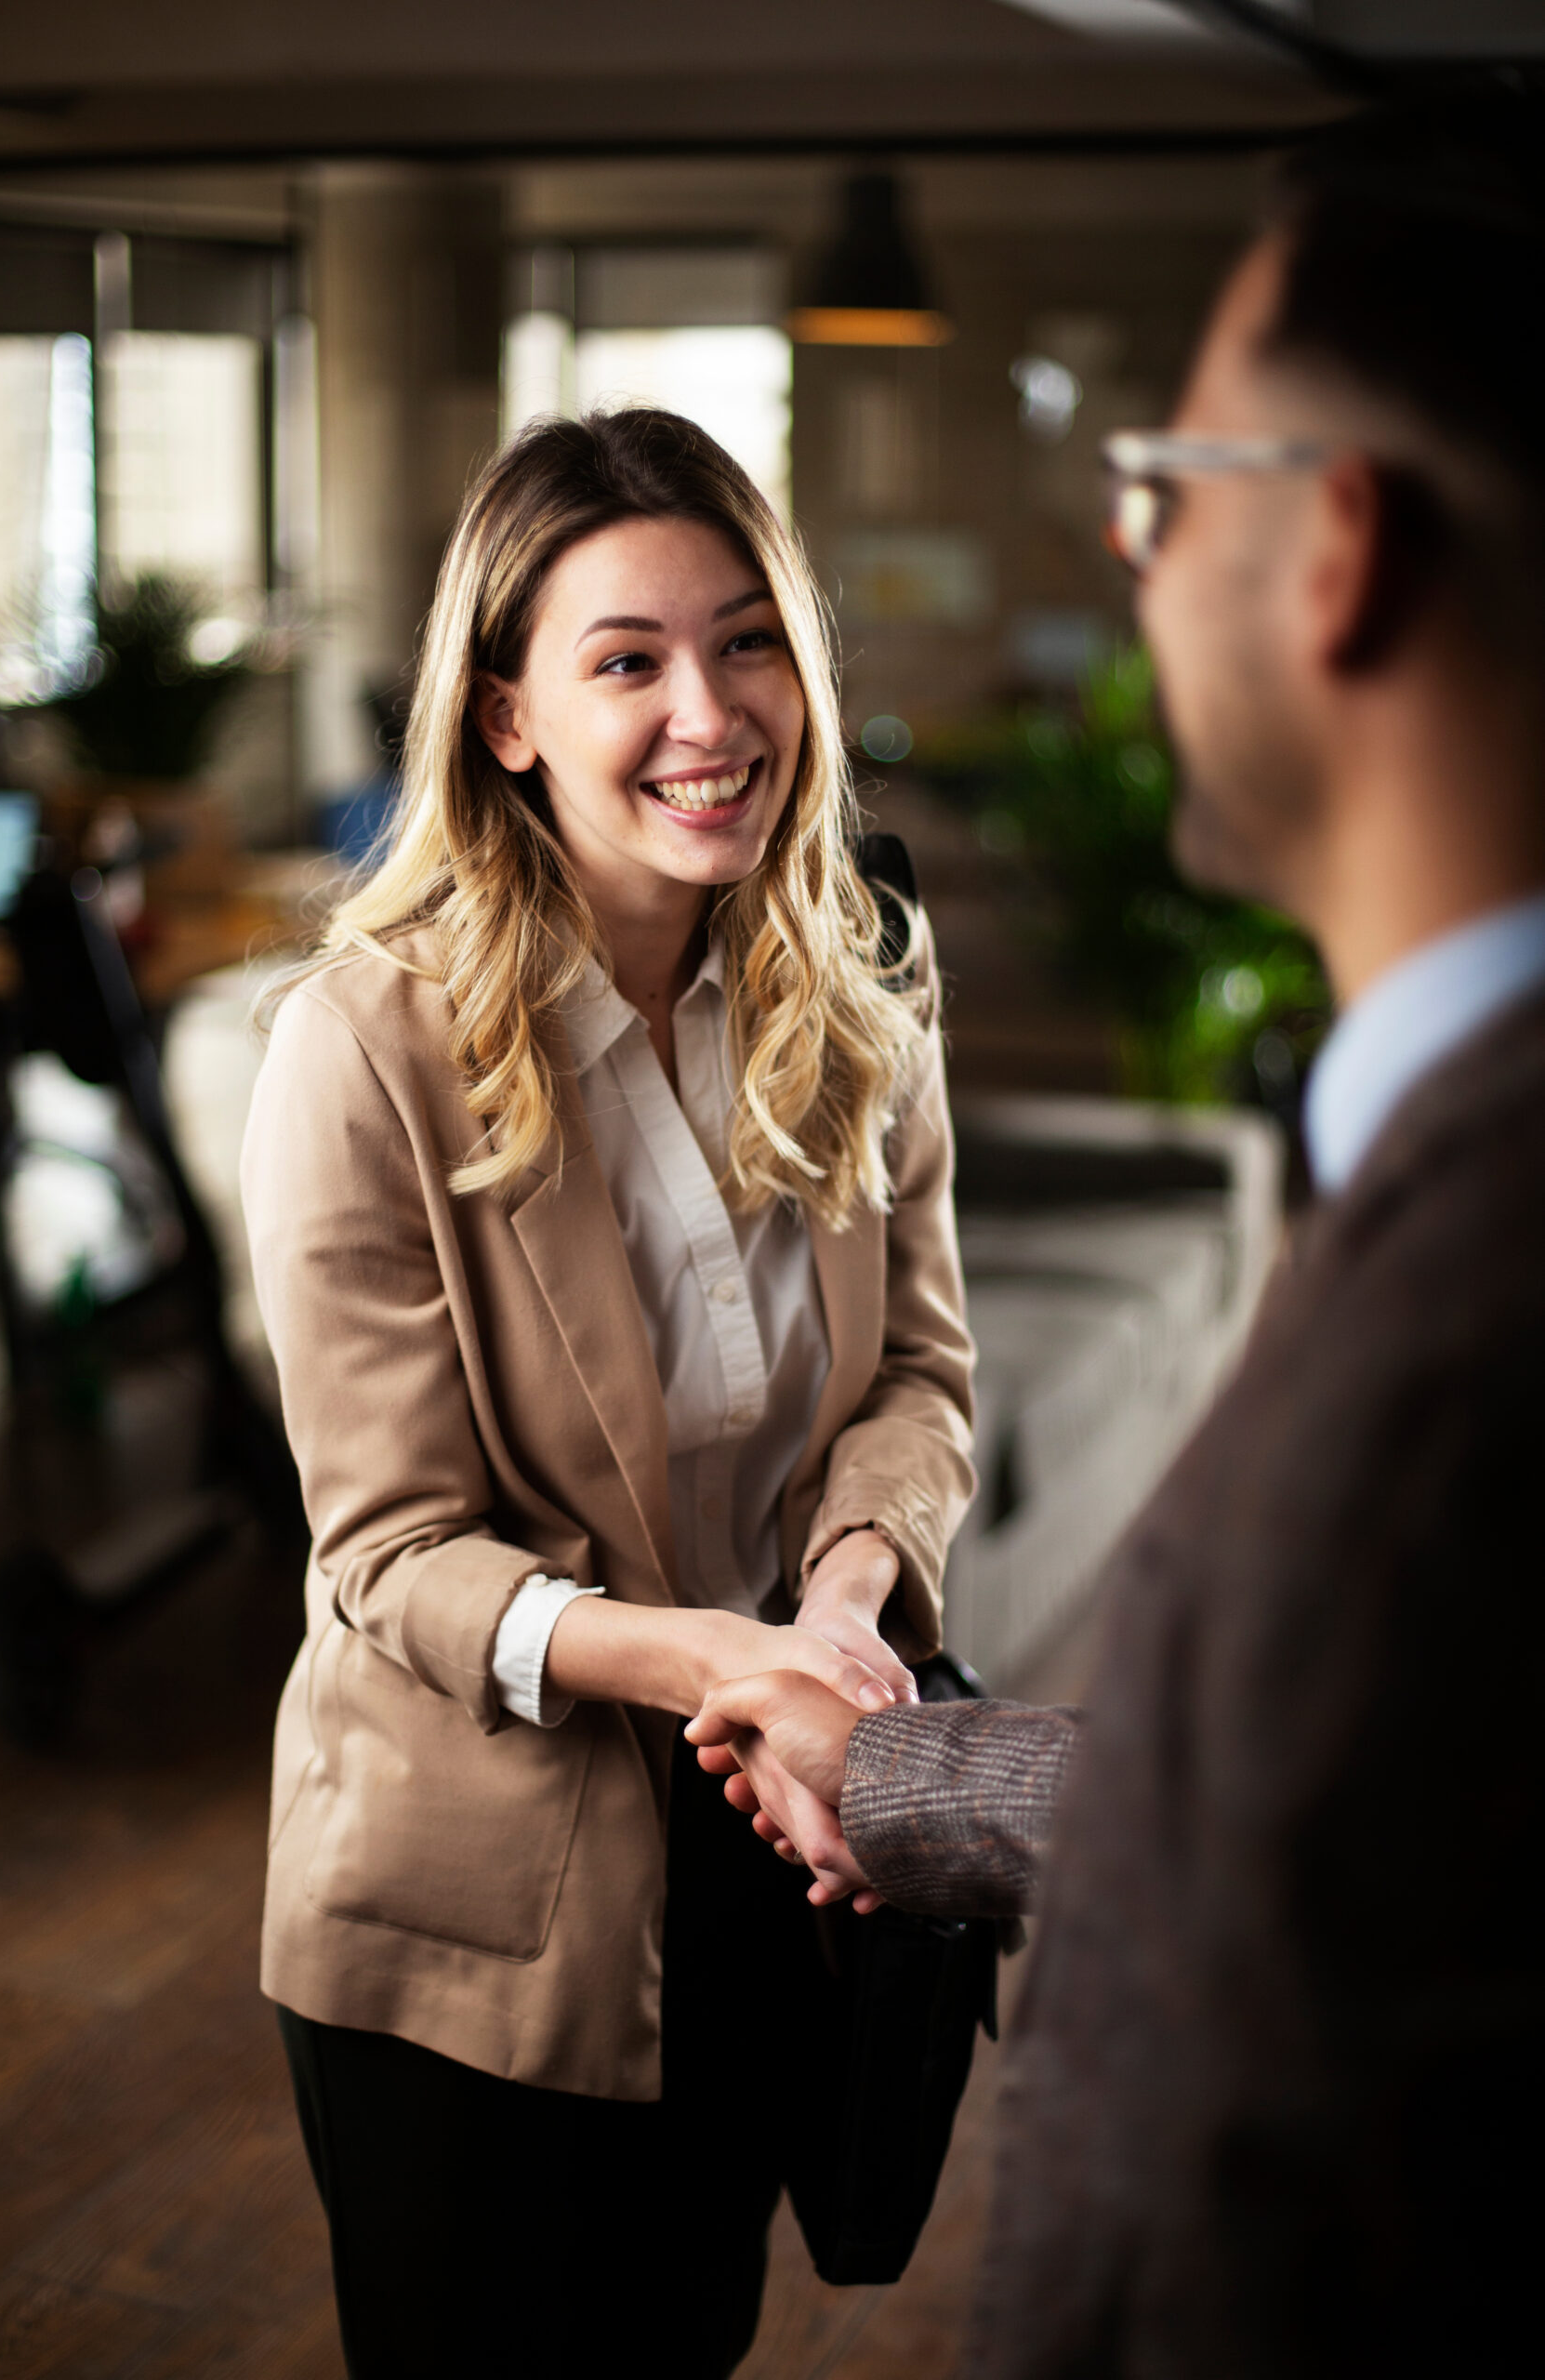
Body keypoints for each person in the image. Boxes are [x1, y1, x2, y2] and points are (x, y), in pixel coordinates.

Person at [688, 91, 1545, 2376]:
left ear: (1336, 550)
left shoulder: (1483, 1301)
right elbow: (1370, 1804)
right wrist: (907, 1782)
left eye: (1166, 493)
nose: (1131, 557)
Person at [240, 408, 975, 2377]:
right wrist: (724, 1668)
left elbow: (917, 1369)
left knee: (684, 2336)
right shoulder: (358, 1048)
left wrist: (833, 1605)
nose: (706, 713)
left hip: (763, 1846)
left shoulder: (860, 978)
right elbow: (390, 1552)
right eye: (624, 658)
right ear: (501, 716)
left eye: (745, 641)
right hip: (469, 1905)